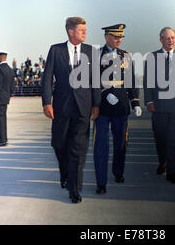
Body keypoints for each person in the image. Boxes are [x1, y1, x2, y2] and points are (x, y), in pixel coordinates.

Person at [41, 17, 101, 204]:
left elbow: (96, 80)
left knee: (78, 149)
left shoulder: (91, 52)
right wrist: (46, 102)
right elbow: (47, 78)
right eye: (81, 29)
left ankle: (74, 189)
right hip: (61, 107)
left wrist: (96, 104)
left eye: (85, 29)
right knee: (58, 144)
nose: (85, 32)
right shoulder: (56, 50)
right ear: (70, 31)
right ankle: (65, 173)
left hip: (83, 107)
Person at [93, 24, 141, 194]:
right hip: (103, 109)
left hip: (121, 108)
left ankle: (118, 172)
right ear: (107, 37)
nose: (119, 40)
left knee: (121, 144)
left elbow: (131, 82)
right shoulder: (96, 55)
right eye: (115, 37)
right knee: (101, 146)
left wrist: (135, 102)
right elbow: (91, 81)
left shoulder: (126, 56)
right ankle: (101, 182)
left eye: (121, 37)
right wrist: (105, 94)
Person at [144, 27, 175, 184]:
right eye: (167, 38)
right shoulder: (152, 57)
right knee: (161, 138)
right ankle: (162, 162)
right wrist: (149, 101)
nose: (170, 40)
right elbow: (148, 81)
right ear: (161, 39)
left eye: (172, 37)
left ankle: (172, 172)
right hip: (159, 107)